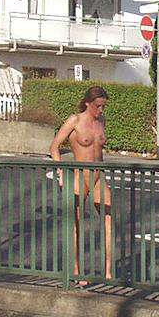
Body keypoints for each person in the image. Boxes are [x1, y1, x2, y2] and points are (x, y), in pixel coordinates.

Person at [50, 85, 113, 281]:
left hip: (98, 177)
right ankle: (76, 269)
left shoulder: (101, 121)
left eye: (103, 106)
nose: (101, 110)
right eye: (98, 106)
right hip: (79, 176)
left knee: (109, 218)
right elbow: (54, 147)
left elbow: (99, 151)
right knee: (76, 223)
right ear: (88, 103)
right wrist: (60, 171)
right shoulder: (74, 120)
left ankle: (108, 271)